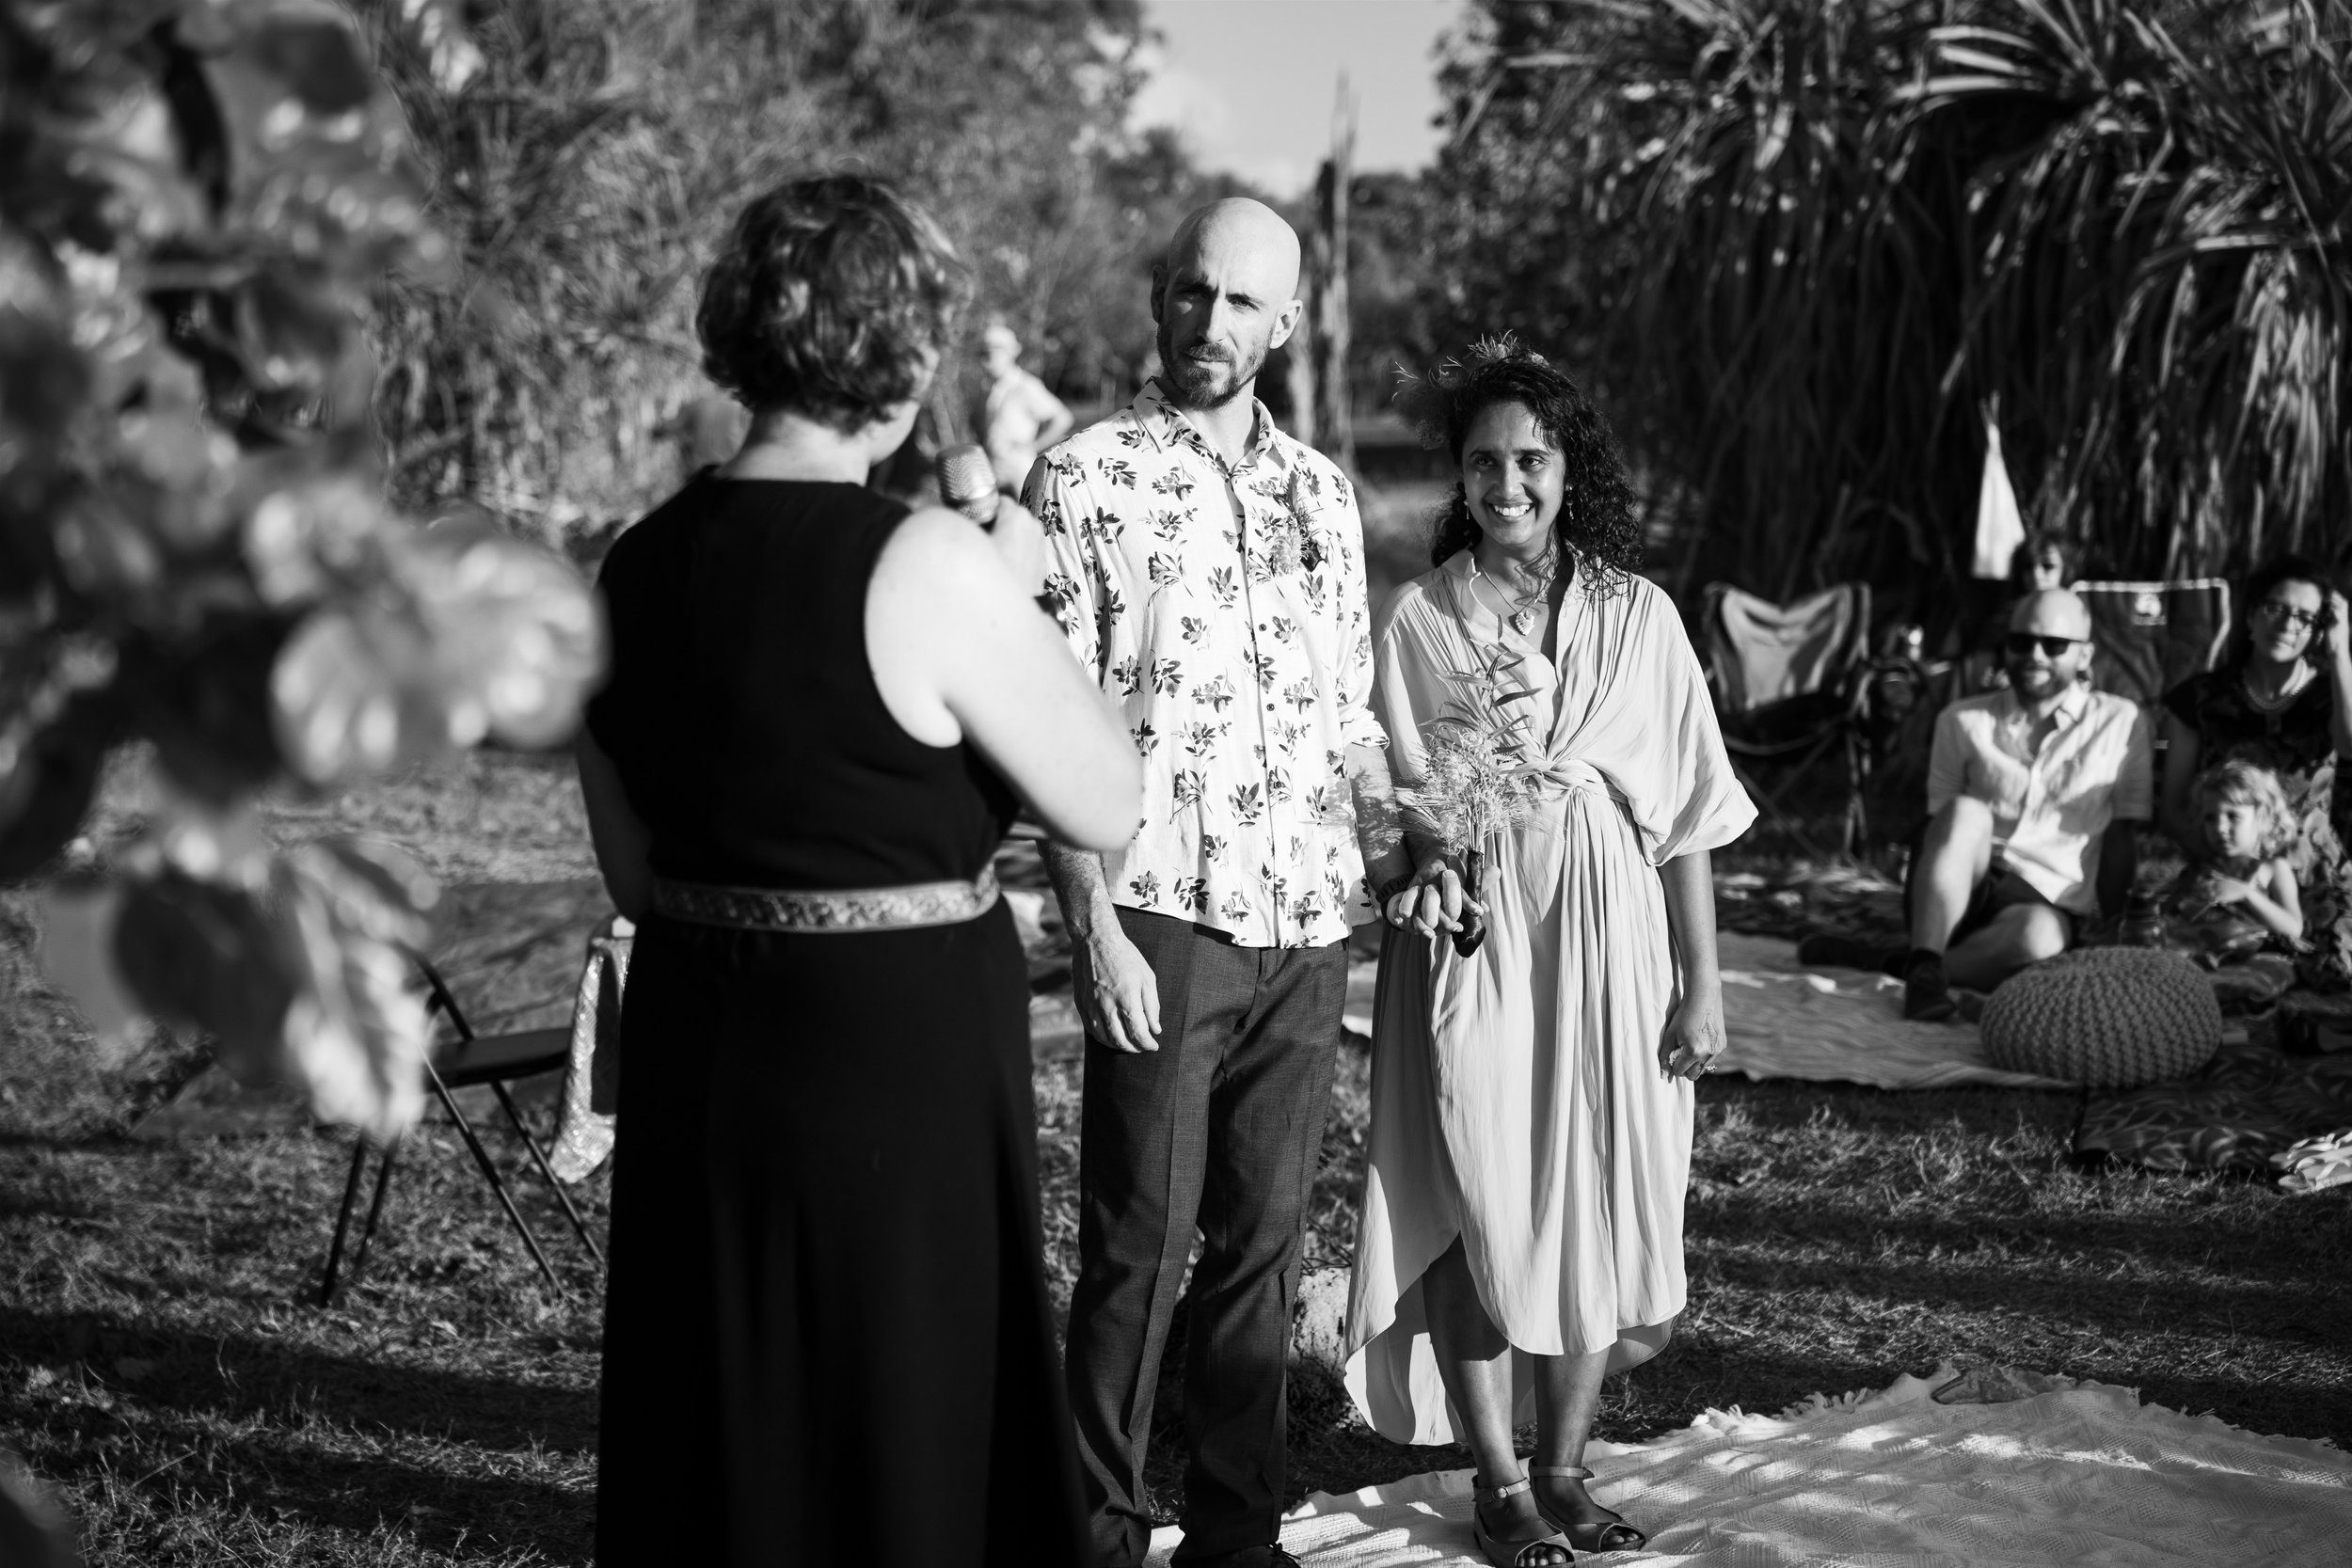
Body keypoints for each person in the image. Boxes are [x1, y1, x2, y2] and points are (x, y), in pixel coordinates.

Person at [576, 175, 1141, 1565]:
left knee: (726, 1421)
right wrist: (1021, 585)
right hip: (893, 1067)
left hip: (703, 1055)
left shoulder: (628, 570)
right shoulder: (931, 562)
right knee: (899, 1426)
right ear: (902, 355)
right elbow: (1106, 793)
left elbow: (637, 877)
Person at [1027, 198, 1408, 1568]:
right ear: (1158, 293)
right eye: (1192, 290)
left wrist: (1399, 852)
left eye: (1242, 301)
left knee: (1263, 1246)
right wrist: (1092, 926)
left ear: (1285, 322)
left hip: (1307, 924)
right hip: (1160, 915)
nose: (1210, 320)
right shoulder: (1082, 479)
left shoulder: (1323, 495)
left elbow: (1350, 715)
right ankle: (1097, 1532)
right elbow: (1046, 722)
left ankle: (1239, 1537)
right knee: (1139, 1246)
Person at [1343, 339, 1755, 1567]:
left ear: (1572, 470)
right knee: (1480, 1187)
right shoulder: (1421, 619)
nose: (1508, 481)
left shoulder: (1642, 614)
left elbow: (1688, 813)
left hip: (1613, 933)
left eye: (1531, 458)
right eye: (1484, 462)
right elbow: (1391, 795)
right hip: (1477, 934)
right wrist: (1419, 867)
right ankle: (1499, 1480)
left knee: (1593, 1192)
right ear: (1460, 478)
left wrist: (1703, 982)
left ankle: (1568, 1468)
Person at [1898, 588, 2153, 1019]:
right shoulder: (1961, 720)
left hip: (2047, 897)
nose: (2034, 655)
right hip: (1963, 884)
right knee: (1965, 811)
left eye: (2053, 645)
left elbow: (2121, 832)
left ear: (2085, 655)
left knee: (2040, 940)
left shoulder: (2122, 722)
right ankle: (1925, 957)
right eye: (2021, 642)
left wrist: (2116, 925)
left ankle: (1914, 967)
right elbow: (1937, 829)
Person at [2158, 553, 2352, 986]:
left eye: (2305, 617)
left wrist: (2341, 652)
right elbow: (2172, 808)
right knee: (2197, 961)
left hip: (2314, 874)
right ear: (2250, 616)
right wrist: (2230, 868)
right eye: (2275, 608)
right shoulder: (2200, 698)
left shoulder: (2332, 694)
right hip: (2224, 864)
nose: (2287, 624)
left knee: (2335, 972)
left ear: (2319, 630)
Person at [2154, 759, 2304, 954]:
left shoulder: (2272, 868)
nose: (2220, 827)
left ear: (2263, 817)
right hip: (2195, 951)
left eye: (2233, 817)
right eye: (2210, 817)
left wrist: (2247, 894)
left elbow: (2293, 928)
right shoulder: (2202, 867)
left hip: (2248, 956)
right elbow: (2169, 915)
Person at [981, 317, 1076, 492]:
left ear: (1009, 353)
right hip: (995, 471)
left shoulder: (1026, 385)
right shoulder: (992, 388)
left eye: (990, 355)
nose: (985, 362)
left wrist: (1033, 447)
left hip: (1020, 472)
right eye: (983, 355)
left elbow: (1063, 418)